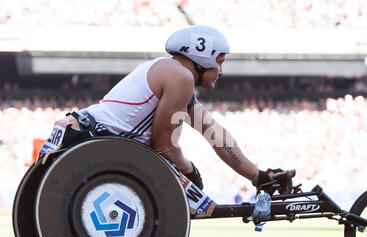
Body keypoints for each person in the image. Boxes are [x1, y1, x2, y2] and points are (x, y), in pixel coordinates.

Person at [39, 25, 295, 203]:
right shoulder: (180, 76)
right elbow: (164, 147)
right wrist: (190, 171)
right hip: (87, 141)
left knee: (190, 196)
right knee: (194, 203)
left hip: (76, 134)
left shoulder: (171, 73)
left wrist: (258, 176)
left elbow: (216, 135)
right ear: (201, 56)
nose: (221, 70)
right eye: (219, 61)